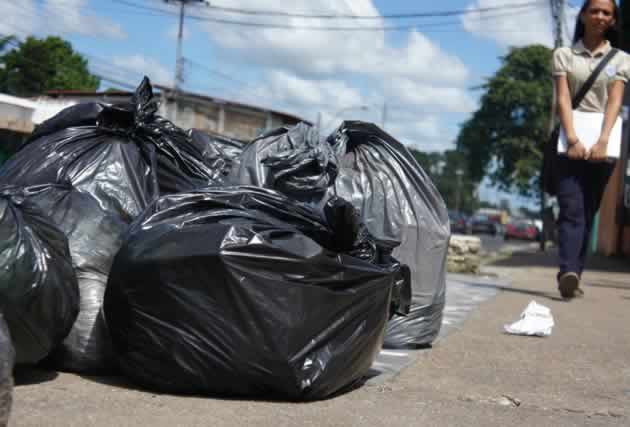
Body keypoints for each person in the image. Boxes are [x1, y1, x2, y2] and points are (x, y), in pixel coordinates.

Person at [552, 0, 629, 299]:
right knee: (571, 209)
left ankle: (574, 273)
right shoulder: (564, 55)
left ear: (612, 20)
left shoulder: (621, 59)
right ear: (583, 15)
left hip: (603, 146)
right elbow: (562, 99)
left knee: (587, 210)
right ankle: (568, 270)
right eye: (594, 10)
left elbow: (614, 101)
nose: (599, 16)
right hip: (568, 144)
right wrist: (572, 139)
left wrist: (602, 141)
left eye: (606, 12)